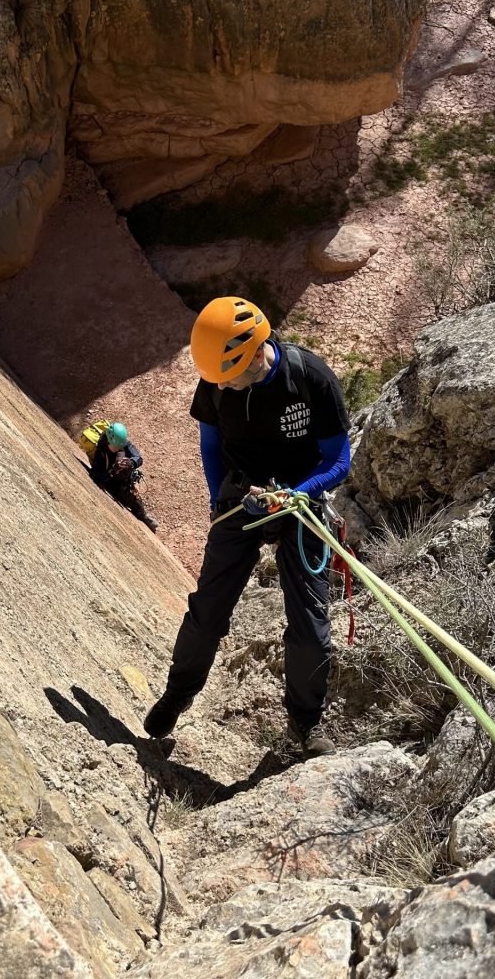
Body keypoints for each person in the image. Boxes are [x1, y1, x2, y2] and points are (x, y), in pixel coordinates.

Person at [143, 296, 351, 757]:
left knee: (311, 623)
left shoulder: (310, 378)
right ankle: (178, 693)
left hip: (300, 501)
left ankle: (306, 721)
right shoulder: (218, 380)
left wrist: (302, 491)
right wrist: (221, 500)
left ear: (257, 353)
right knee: (209, 608)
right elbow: (211, 444)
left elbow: (340, 458)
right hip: (242, 498)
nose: (227, 387)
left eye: (232, 378)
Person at [91, 422, 158, 533]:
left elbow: (138, 457)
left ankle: (143, 515)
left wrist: (131, 463)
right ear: (109, 441)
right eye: (116, 446)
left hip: (123, 480)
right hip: (110, 480)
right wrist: (111, 474)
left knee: (131, 496)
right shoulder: (101, 452)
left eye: (119, 446)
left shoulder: (123, 444)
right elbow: (96, 474)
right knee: (123, 493)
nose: (118, 449)